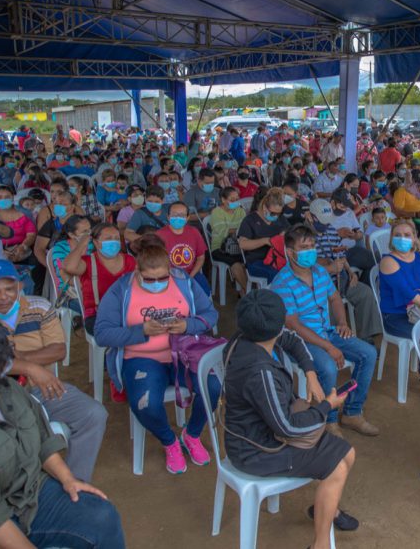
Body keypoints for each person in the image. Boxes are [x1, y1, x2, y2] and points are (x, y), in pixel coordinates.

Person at [0, 316, 125, 548]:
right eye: (4, 354)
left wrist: (68, 479)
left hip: (30, 492)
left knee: (102, 517)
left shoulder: (7, 389)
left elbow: (42, 438)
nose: (11, 358)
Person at [223, 291, 358, 549]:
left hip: (266, 432)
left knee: (347, 453)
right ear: (278, 324)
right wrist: (327, 406)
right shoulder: (259, 373)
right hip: (257, 450)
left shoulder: (248, 337)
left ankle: (326, 508)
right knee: (339, 466)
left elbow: (293, 339)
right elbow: (287, 427)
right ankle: (320, 544)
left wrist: (310, 372)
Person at [0, 259, 108, 481]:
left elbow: (58, 350)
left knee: (94, 414)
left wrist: (15, 359)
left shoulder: (39, 307)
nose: (4, 296)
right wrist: (29, 367)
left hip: (43, 388)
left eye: (10, 289)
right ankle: (15, 489)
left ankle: (75, 482)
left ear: (20, 286)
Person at [94, 240, 220, 475]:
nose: (157, 284)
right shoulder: (121, 290)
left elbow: (210, 314)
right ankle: (169, 441)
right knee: (146, 404)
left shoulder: (183, 282)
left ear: (170, 270)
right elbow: (102, 334)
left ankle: (191, 435)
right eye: (149, 279)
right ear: (137, 271)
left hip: (183, 353)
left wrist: (187, 325)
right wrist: (140, 330)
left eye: (162, 278)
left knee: (213, 386)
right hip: (141, 358)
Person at [271, 224, 379, 437]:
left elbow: (335, 298)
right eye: (304, 247)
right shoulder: (282, 282)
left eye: (312, 246)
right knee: (328, 367)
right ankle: (328, 420)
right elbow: (293, 325)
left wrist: (342, 323)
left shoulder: (320, 271)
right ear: (290, 253)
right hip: (300, 340)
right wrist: (329, 347)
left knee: (368, 353)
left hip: (326, 331)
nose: (310, 251)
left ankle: (352, 412)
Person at [62, 222, 136, 335]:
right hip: (97, 316)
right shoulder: (88, 262)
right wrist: (81, 244)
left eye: (117, 238)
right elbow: (68, 267)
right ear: (96, 242)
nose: (114, 241)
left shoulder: (129, 260)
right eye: (108, 238)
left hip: (126, 311)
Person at [378, 219, 420, 338]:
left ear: (414, 238)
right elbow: (407, 293)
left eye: (407, 235)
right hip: (396, 316)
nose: (402, 238)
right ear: (392, 239)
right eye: (397, 235)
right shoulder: (388, 262)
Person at [155, 201, 210, 295]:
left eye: (182, 215)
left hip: (192, 273)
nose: (178, 217)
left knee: (204, 293)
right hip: (167, 276)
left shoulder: (194, 232)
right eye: (174, 214)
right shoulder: (159, 235)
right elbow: (155, 261)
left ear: (187, 218)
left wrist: (190, 276)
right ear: (168, 217)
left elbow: (201, 257)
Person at [238, 187, 290, 283]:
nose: (276, 216)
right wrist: (265, 241)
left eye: (279, 213)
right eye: (273, 213)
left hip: (279, 258)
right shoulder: (250, 220)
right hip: (256, 261)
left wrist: (284, 234)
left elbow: (290, 232)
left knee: (296, 271)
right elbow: (243, 244)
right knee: (277, 276)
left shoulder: (281, 219)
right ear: (264, 207)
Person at [210, 186, 248, 292]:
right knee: (236, 263)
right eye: (232, 199)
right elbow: (222, 232)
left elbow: (246, 228)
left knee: (250, 259)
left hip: (238, 246)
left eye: (237, 199)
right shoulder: (216, 212)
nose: (235, 202)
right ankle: (248, 290)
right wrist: (237, 231)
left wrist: (236, 231)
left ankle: (243, 291)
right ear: (223, 199)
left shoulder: (240, 211)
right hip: (219, 247)